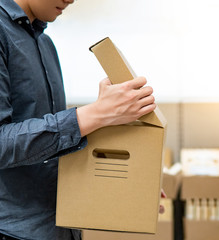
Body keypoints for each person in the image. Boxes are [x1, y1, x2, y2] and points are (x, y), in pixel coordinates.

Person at [0, 0, 164, 239]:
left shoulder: (44, 43)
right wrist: (96, 113)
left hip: (63, 228)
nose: (72, 0)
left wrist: (133, 182)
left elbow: (52, 148)